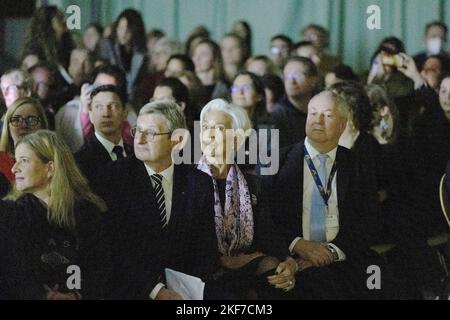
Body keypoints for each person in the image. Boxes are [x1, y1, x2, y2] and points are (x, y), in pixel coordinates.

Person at [92, 99, 219, 299]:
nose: (139, 140)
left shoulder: (198, 183)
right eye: (137, 131)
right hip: (130, 290)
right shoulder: (113, 178)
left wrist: (189, 290)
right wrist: (156, 291)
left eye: (150, 133)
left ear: (176, 140)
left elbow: (205, 249)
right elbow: (113, 247)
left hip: (184, 292)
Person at [265, 90, 386, 299]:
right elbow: (263, 217)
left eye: (328, 115)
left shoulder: (356, 164)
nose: (318, 120)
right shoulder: (275, 161)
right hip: (289, 257)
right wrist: (298, 245)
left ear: (342, 125)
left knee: (381, 282)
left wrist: (331, 251)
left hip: (342, 254)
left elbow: (371, 220)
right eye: (313, 113)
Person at [197, 99, 296, 299]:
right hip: (202, 268)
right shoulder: (188, 181)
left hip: (245, 263)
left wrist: (288, 262)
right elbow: (187, 241)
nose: (209, 135)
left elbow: (268, 233)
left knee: (276, 273)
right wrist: (224, 261)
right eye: (205, 127)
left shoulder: (253, 184)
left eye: (218, 128)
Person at [0, 130, 109, 299]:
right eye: (16, 161)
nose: (14, 169)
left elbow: (102, 269)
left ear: (49, 168)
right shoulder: (10, 215)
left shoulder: (88, 212)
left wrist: (75, 296)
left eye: (24, 161)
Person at [55, 65, 137, 152]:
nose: (102, 93)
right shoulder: (70, 112)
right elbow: (75, 147)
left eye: (109, 89)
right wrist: (86, 111)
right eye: (98, 87)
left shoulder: (127, 114)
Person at [75, 85, 133, 181]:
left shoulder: (135, 153)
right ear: (91, 116)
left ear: (125, 114)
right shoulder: (80, 161)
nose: (106, 113)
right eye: (99, 107)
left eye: (113, 106)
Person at [0, 98, 49, 196]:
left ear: (42, 126)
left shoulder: (53, 159)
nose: (24, 125)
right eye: (16, 120)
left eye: (31, 120)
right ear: (7, 127)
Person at [270, 56, 320, 147]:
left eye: (297, 75)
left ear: (313, 80)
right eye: (287, 76)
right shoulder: (276, 115)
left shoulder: (323, 109)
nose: (291, 81)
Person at [99, 8, 148, 98]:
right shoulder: (108, 47)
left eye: (128, 30)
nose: (123, 33)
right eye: (120, 28)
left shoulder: (142, 53)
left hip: (134, 99)